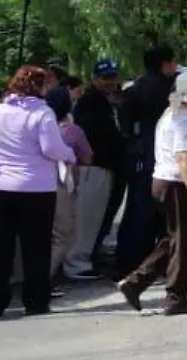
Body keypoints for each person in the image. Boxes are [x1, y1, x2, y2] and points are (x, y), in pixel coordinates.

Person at [0, 66, 78, 319]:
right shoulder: (43, 113)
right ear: (40, 87)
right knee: (36, 249)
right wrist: (70, 154)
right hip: (37, 190)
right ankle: (35, 301)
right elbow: (52, 148)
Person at [118, 68, 187, 316]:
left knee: (176, 237)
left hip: (174, 182)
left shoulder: (181, 115)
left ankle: (136, 282)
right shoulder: (182, 120)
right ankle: (175, 297)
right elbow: (183, 159)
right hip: (180, 183)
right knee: (184, 241)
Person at [114, 44, 177, 276]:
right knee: (158, 213)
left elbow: (125, 125)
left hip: (138, 155)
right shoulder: (168, 90)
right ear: (164, 64)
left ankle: (128, 262)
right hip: (159, 154)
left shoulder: (134, 89)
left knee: (136, 211)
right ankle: (152, 264)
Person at [68, 59, 122, 280]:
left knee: (100, 215)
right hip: (95, 165)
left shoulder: (105, 101)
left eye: (112, 77)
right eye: (105, 78)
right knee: (87, 217)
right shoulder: (89, 102)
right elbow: (92, 135)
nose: (109, 82)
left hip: (107, 165)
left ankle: (90, 253)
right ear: (95, 79)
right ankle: (77, 262)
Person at [44, 85, 93, 280]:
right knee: (62, 235)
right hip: (61, 184)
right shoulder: (72, 131)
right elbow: (87, 157)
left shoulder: (41, 126)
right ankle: (43, 279)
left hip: (34, 184)